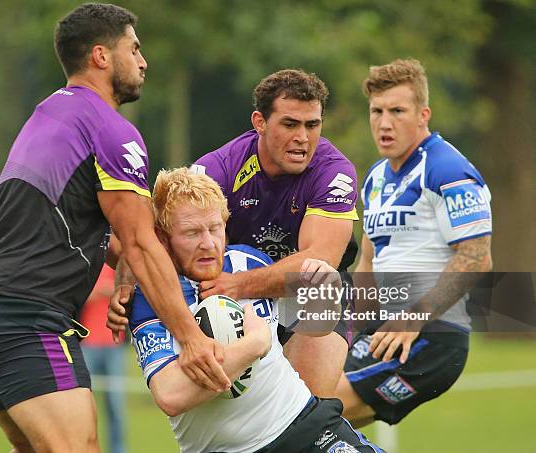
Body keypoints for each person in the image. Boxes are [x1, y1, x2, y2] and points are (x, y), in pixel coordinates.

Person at [0, 4, 228, 452]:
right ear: (101, 56)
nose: (143, 61)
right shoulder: (110, 129)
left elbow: (95, 228)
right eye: (133, 49)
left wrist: (126, 277)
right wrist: (190, 338)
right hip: (26, 316)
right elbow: (139, 241)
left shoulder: (50, 115)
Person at [109, 69, 360, 397]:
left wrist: (238, 284)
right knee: (236, 412)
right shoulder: (218, 169)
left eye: (312, 125)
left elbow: (318, 262)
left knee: (306, 411)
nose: (303, 137)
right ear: (260, 122)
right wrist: (126, 284)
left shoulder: (334, 171)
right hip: (238, 297)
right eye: (289, 124)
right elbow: (158, 232)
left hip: (307, 297)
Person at [130, 167, 384, 453]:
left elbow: (310, 319)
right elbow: (170, 395)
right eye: (191, 233)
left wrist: (322, 288)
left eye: (215, 228)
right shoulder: (151, 298)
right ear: (163, 238)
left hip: (305, 427)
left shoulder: (248, 262)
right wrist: (254, 344)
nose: (208, 243)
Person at [334, 58, 493, 427]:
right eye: (376, 111)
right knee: (308, 423)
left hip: (432, 337)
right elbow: (368, 264)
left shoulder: (448, 169)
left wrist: (412, 319)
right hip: (385, 331)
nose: (384, 123)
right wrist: (356, 329)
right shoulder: (374, 178)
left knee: (312, 411)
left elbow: (476, 257)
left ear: (423, 114)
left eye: (397, 111)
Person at [80, 264, 127, 453]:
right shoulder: (88, 264)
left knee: (116, 407)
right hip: (87, 343)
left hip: (114, 345)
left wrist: (103, 290)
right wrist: (106, 290)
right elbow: (81, 296)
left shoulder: (118, 265)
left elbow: (125, 294)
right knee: (81, 406)